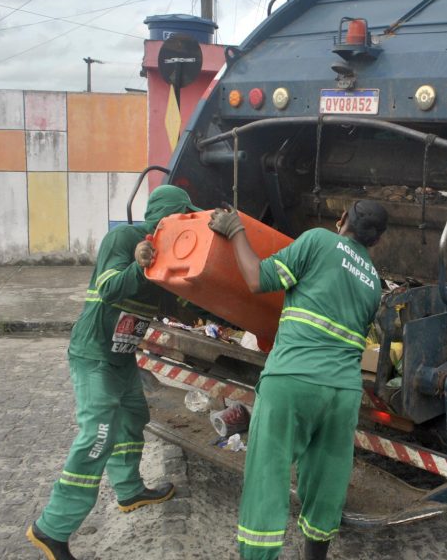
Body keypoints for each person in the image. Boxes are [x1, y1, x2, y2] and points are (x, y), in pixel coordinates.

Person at [27, 185, 201, 560]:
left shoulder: (167, 258)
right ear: (166, 219)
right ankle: (52, 527)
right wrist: (139, 263)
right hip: (93, 353)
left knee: (133, 417)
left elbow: (177, 307)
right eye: (182, 217)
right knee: (98, 433)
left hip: (121, 355)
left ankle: (129, 490)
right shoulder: (124, 238)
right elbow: (109, 290)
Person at [208, 200, 388, 560]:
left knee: (268, 477)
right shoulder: (374, 283)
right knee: (326, 483)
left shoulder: (319, 241)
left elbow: (258, 279)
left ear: (342, 220)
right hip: (342, 394)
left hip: (292, 380)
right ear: (376, 242)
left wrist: (235, 230)